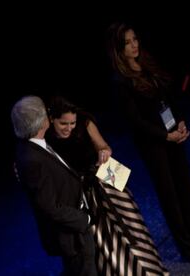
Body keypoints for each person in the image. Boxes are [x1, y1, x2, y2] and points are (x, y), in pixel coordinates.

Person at [106, 22, 190, 262]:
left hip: (171, 132)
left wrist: (180, 122)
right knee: (170, 195)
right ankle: (188, 246)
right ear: (118, 48)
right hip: (153, 143)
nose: (134, 45)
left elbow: (168, 96)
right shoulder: (120, 81)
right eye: (127, 42)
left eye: (135, 39)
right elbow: (134, 121)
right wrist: (165, 135)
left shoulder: (146, 64)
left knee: (185, 187)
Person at [45, 95, 169, 275]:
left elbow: (104, 146)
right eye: (64, 124)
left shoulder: (85, 122)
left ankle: (150, 270)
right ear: (51, 119)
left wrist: (104, 153)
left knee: (132, 227)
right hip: (79, 193)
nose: (69, 128)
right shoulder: (47, 138)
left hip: (106, 179)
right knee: (102, 241)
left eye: (72, 123)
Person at [11, 95, 97, 276]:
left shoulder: (34, 146)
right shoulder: (31, 159)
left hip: (75, 228)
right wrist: (84, 220)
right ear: (42, 121)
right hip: (73, 235)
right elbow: (50, 208)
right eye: (45, 112)